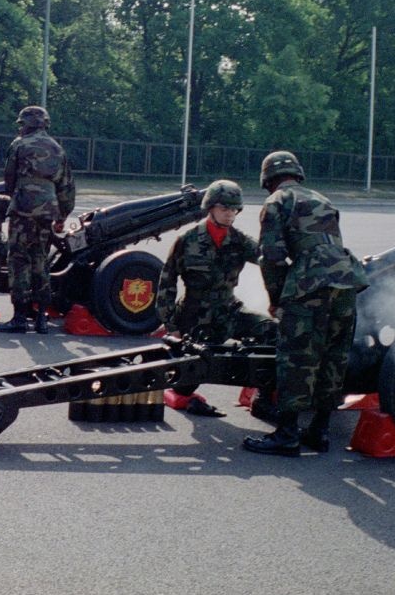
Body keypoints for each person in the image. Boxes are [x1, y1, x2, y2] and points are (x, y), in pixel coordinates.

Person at [242, 151, 369, 457]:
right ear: (297, 173)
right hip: (345, 281)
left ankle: (287, 434)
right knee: (333, 356)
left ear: (268, 179)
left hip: (308, 285)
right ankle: (320, 431)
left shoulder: (277, 202)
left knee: (297, 358)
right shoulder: (321, 198)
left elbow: (271, 257)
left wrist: (276, 300)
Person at [156, 179, 274, 417]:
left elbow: (268, 260)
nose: (230, 214)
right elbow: (167, 283)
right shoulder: (187, 241)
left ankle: (263, 399)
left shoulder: (239, 241)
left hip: (229, 310)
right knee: (186, 381)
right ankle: (184, 392)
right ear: (210, 208)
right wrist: (171, 326)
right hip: (195, 317)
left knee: (271, 330)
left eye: (234, 209)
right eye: (224, 208)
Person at [0, 105, 75, 334]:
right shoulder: (58, 148)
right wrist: (62, 215)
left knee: (19, 260)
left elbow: (9, 178)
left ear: (27, 124)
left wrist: (16, 196)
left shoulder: (19, 145)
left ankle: (20, 317)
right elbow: (66, 185)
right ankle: (41, 318)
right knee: (40, 260)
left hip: (23, 209)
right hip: (48, 210)